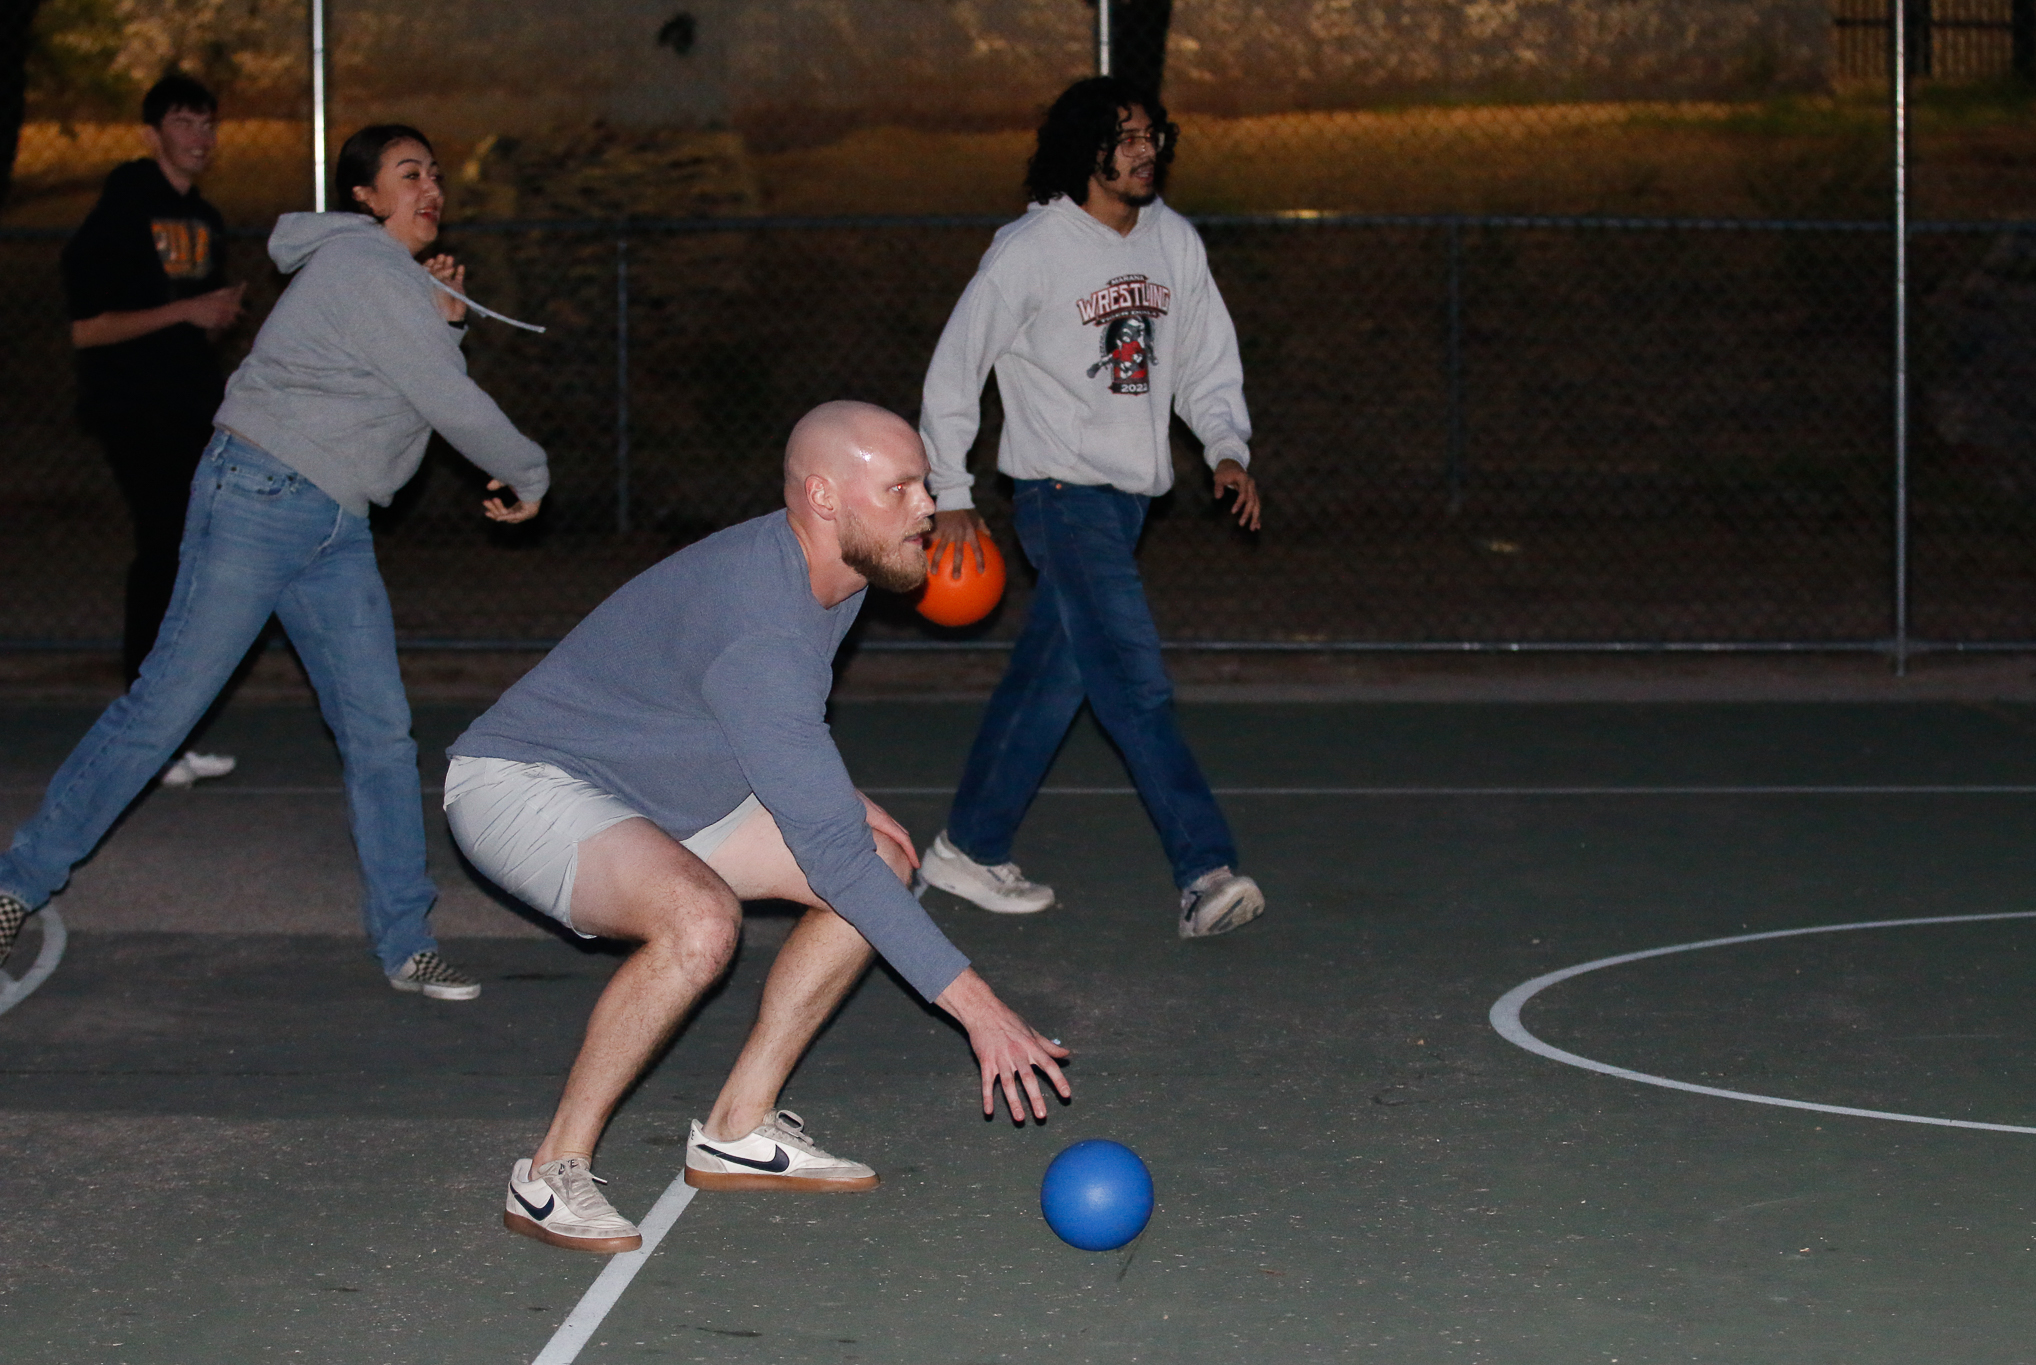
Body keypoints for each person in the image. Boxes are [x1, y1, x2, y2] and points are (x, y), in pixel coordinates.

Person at [445, 400, 1070, 1255]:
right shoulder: (765, 620)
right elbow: (772, 703)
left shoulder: (836, 572)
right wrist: (981, 1011)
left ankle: (738, 1125)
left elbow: (775, 725)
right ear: (824, 497)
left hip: (664, 781)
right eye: (901, 488)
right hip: (523, 781)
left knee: (882, 861)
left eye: (924, 483)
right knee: (701, 920)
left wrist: (838, 797)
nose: (928, 505)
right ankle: (550, 1171)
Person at [0, 125, 549, 1002]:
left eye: (437, 176)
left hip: (335, 524)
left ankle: (406, 941)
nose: (431, 188)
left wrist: (444, 321)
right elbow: (448, 403)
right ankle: (13, 888)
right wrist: (530, 470)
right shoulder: (363, 267)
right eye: (410, 174)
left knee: (379, 731)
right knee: (162, 712)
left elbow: (409, 389)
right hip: (259, 499)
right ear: (365, 198)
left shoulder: (398, 286)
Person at [914, 76, 1266, 939]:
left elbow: (1205, 362)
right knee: (1132, 680)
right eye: (1126, 136)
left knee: (1055, 676)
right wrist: (951, 493)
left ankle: (969, 844)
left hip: (1129, 502)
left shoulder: (1173, 241)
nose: (1146, 150)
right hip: (1060, 493)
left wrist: (1226, 447)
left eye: (1153, 134)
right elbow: (954, 371)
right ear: (1086, 150)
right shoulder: (1033, 248)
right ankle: (1204, 869)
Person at [62, 74, 246, 787]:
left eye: (207, 122)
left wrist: (212, 318)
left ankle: (167, 731)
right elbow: (87, 328)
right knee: (164, 556)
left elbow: (192, 315)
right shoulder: (120, 212)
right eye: (183, 122)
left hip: (188, 408)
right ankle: (146, 737)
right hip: (133, 410)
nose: (199, 136)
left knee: (190, 561)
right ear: (152, 134)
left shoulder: (205, 217)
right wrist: (187, 313)